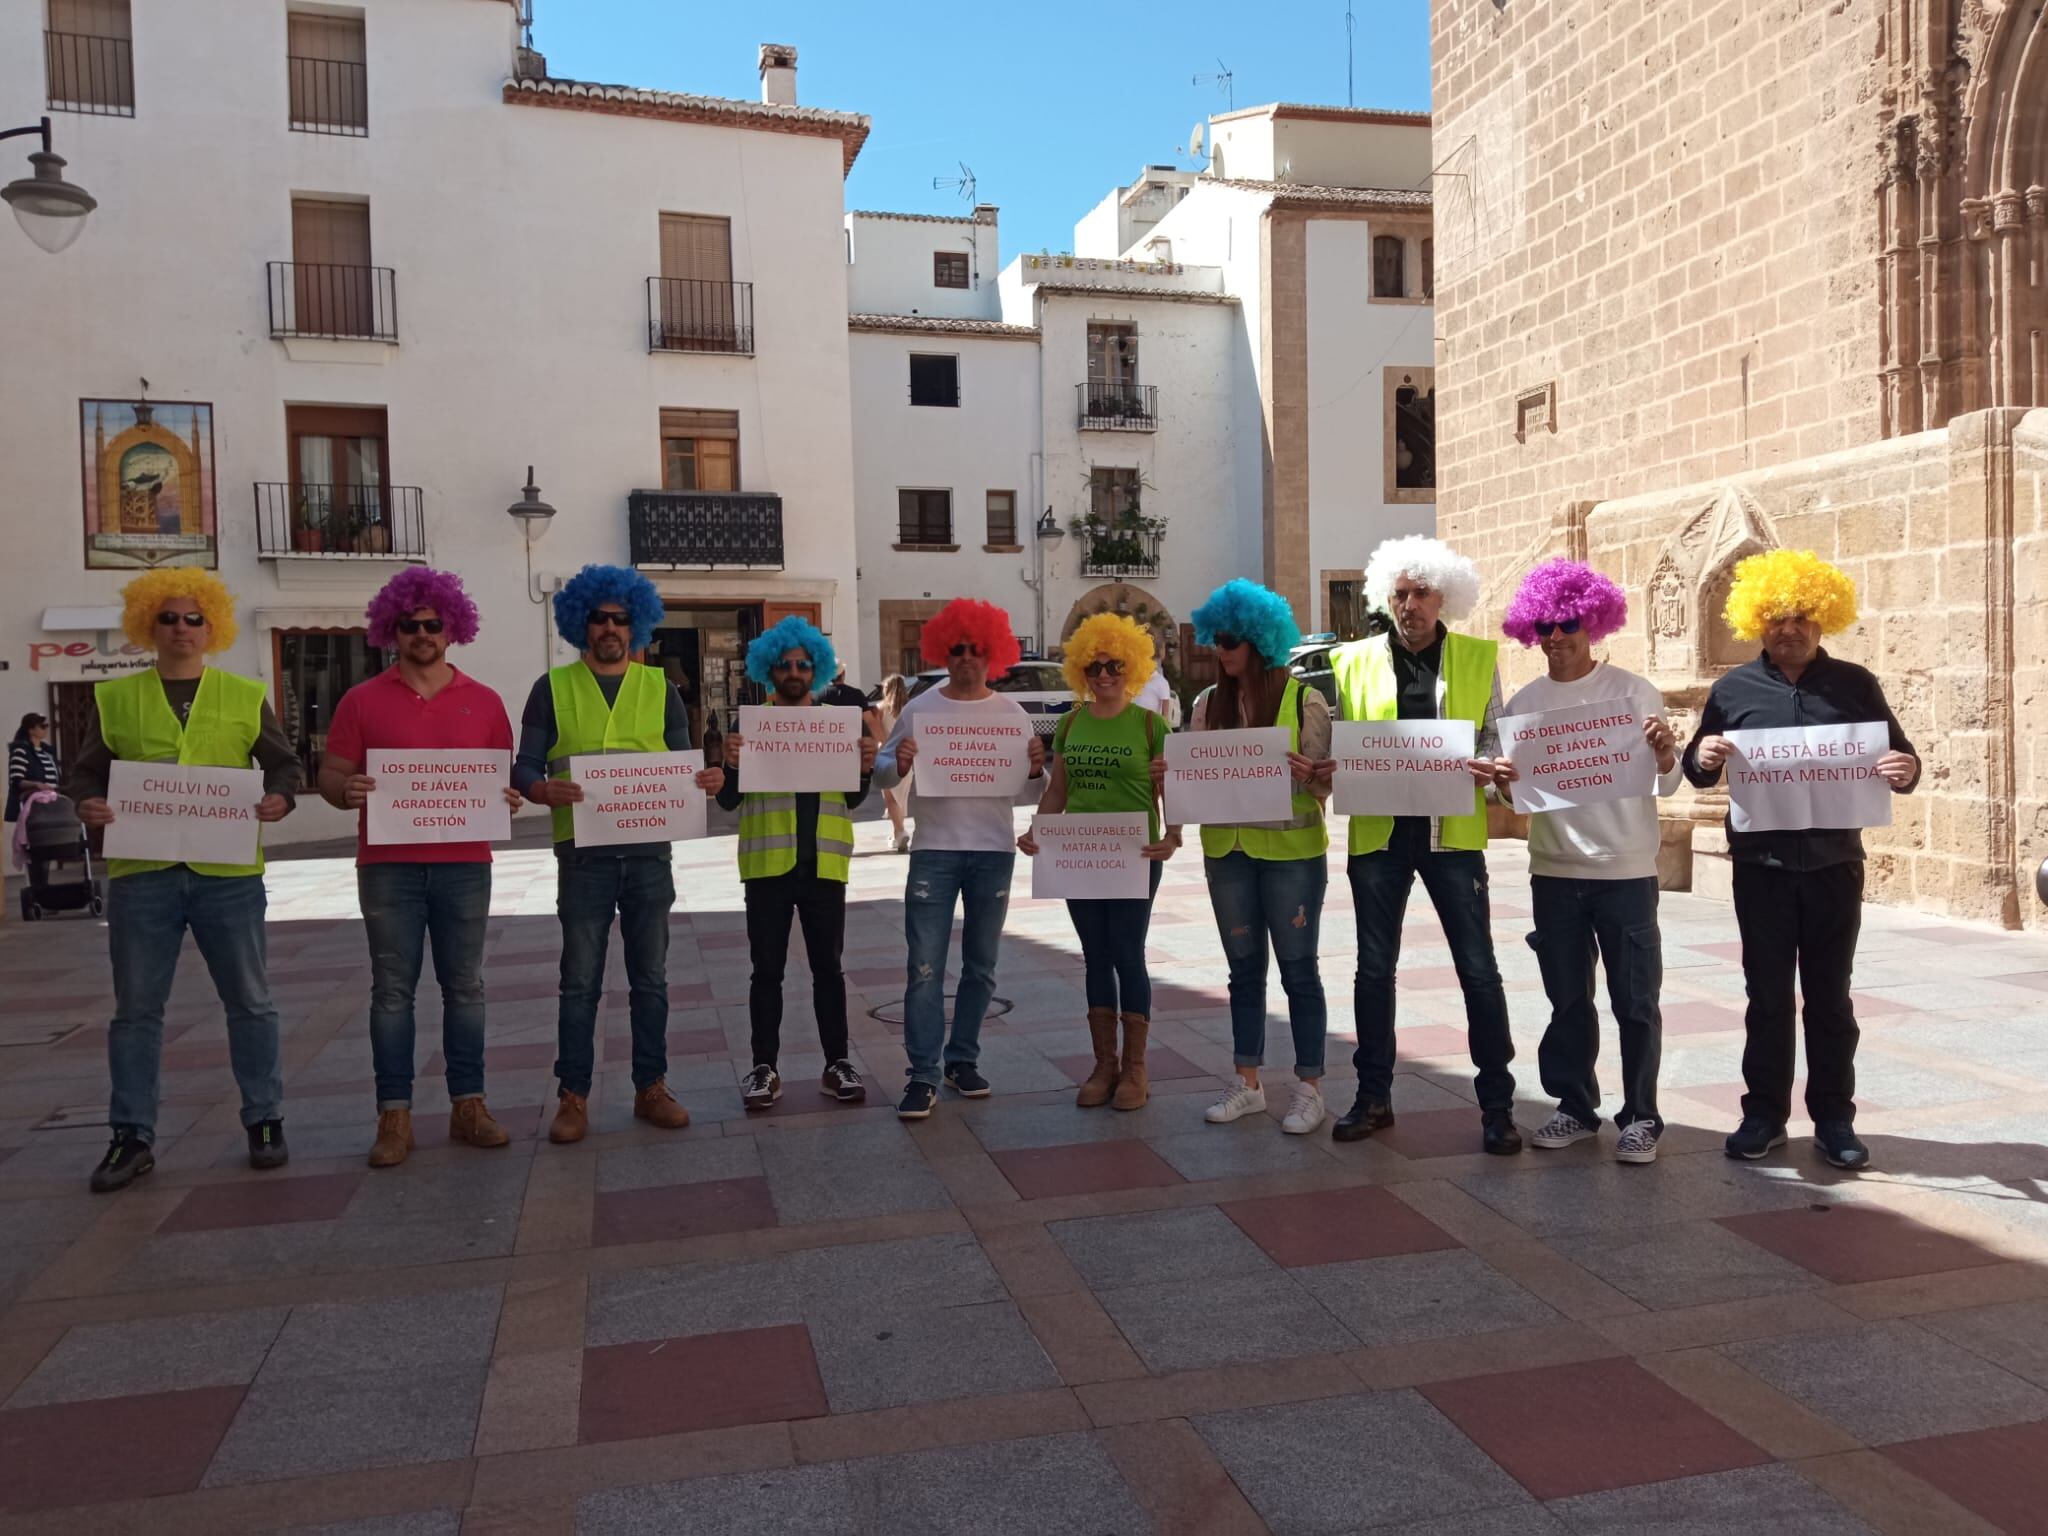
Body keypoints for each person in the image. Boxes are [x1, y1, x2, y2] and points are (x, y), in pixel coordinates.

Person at [1682, 550, 1918, 1171]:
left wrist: (1906, 769)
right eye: (1777, 617)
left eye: (1802, 617)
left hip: (1835, 867)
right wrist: (1702, 755)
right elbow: (1698, 767)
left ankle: (1835, 1120)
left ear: (1822, 621)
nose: (1789, 629)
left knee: (1830, 999)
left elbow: (1901, 758)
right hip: (1760, 869)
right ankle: (1762, 1114)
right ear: (1757, 620)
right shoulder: (1733, 689)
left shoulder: (1856, 684)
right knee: (1765, 997)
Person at [67, 571, 300, 1191]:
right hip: (142, 876)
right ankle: (131, 1135)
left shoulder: (245, 695)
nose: (180, 629)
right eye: (168, 618)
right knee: (137, 1011)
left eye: (193, 618)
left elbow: (283, 765)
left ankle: (265, 1120)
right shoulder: (115, 699)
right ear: (150, 624)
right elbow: (86, 773)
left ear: (212, 626)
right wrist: (87, 803)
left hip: (228, 874)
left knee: (250, 1003)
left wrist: (280, 798)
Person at [511, 564, 724, 1144]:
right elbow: (525, 764)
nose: (609, 626)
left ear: (637, 625)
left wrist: (705, 781)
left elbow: (683, 764)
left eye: (620, 618)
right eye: (599, 617)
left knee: (649, 979)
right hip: (582, 858)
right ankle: (572, 1096)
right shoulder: (550, 688)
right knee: (579, 980)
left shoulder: (661, 690)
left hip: (649, 857)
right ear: (581, 622)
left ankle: (651, 1086)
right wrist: (539, 790)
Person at [318, 569, 522, 1168]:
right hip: (387, 868)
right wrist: (343, 790)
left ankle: (469, 1105)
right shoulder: (361, 701)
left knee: (465, 988)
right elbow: (330, 774)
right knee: (392, 992)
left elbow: (502, 781)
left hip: (465, 865)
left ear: (453, 627)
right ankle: (395, 1114)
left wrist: (507, 798)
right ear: (392, 630)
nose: (423, 634)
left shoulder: (485, 702)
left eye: (434, 624)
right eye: (410, 625)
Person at [1326, 536, 1521, 1154]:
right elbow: (1344, 741)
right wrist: (1331, 767)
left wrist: (1493, 768)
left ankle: (1497, 1107)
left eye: (1421, 593)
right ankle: (1373, 1097)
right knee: (1373, 970)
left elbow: (1491, 733)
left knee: (1479, 971)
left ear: (1446, 597)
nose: (1409, 604)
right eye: (1400, 593)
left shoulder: (1475, 656)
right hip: (1379, 835)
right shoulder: (1351, 661)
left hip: (1452, 837)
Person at [1494, 560, 1682, 1164]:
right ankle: (1575, 1107)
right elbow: (1513, 792)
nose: (1555, 638)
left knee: (1635, 1002)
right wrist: (1500, 784)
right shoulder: (1524, 704)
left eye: (1567, 623)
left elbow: (1670, 783)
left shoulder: (1632, 692)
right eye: (1543, 626)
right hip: (1553, 871)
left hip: (1625, 871)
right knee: (1568, 1001)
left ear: (1592, 623)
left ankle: (1642, 1116)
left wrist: (1665, 753)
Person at [1170, 580, 1334, 1136]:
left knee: (1298, 971)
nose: (1221, 648)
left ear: (1261, 642)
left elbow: (1327, 788)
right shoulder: (1205, 705)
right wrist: (1172, 777)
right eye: (1217, 638)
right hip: (1228, 851)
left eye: (1232, 639)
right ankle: (1248, 1082)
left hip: (1292, 853)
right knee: (1243, 971)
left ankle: (1309, 1087)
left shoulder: (1303, 700)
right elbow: (1193, 779)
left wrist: (1311, 776)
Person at [873, 599, 1045, 1119]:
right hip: (934, 853)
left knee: (982, 967)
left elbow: (1036, 785)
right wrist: (894, 761)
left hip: (993, 852)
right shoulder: (921, 709)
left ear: (991, 654)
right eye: (956, 649)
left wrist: (1038, 769)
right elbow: (881, 773)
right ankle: (922, 1074)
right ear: (943, 653)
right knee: (924, 968)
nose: (966, 657)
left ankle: (961, 1061)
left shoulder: (1012, 714)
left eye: (976, 649)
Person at [1018, 613, 1179, 1110]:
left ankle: (1136, 1068)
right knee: (1094, 956)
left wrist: (1172, 836)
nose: (1103, 675)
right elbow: (1059, 789)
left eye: (1113, 665)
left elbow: (1173, 790)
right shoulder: (1070, 722)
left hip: (1134, 855)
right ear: (1080, 671)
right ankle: (1103, 1064)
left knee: (1127, 953)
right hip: (1079, 856)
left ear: (1130, 667)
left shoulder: (1150, 724)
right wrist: (1037, 830)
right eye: (1093, 666)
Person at [718, 616, 877, 1110]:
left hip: (825, 863)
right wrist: (728, 764)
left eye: (803, 664)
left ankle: (837, 1063)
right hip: (767, 865)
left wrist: (865, 766)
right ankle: (764, 1067)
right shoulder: (750, 725)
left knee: (829, 968)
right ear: (770, 668)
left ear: (817, 669)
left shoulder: (836, 725)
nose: (793, 670)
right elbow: (726, 801)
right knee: (766, 970)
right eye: (785, 664)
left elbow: (851, 798)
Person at [869, 673, 913, 852]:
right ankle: (896, 835)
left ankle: (901, 831)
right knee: (900, 798)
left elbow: (876, 733)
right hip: (906, 758)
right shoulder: (910, 709)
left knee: (890, 799)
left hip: (887, 757)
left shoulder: (880, 709)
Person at [6, 712, 59, 824]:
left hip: (53, 803)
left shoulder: (47, 752)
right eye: (42, 726)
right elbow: (17, 780)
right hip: (33, 805)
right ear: (31, 730)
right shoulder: (21, 750)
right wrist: (36, 784)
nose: (46, 729)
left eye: (46, 726)